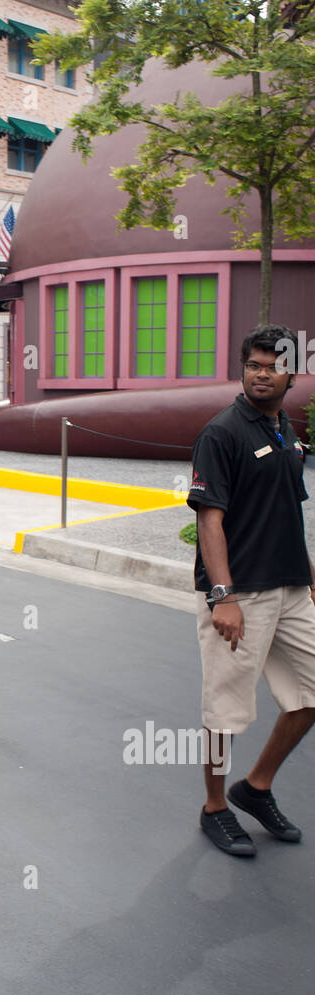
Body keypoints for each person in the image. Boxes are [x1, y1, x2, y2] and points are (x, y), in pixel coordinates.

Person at [187, 324, 315, 857]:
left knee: (311, 694)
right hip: (240, 593)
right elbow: (210, 522)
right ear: (243, 369)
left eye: (273, 365)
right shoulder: (222, 433)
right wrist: (224, 596)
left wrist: (309, 579)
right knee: (226, 710)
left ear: (291, 372)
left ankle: (255, 788)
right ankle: (215, 807)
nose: (263, 374)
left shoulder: (286, 427)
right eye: (254, 365)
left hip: (290, 589)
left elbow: (287, 511)